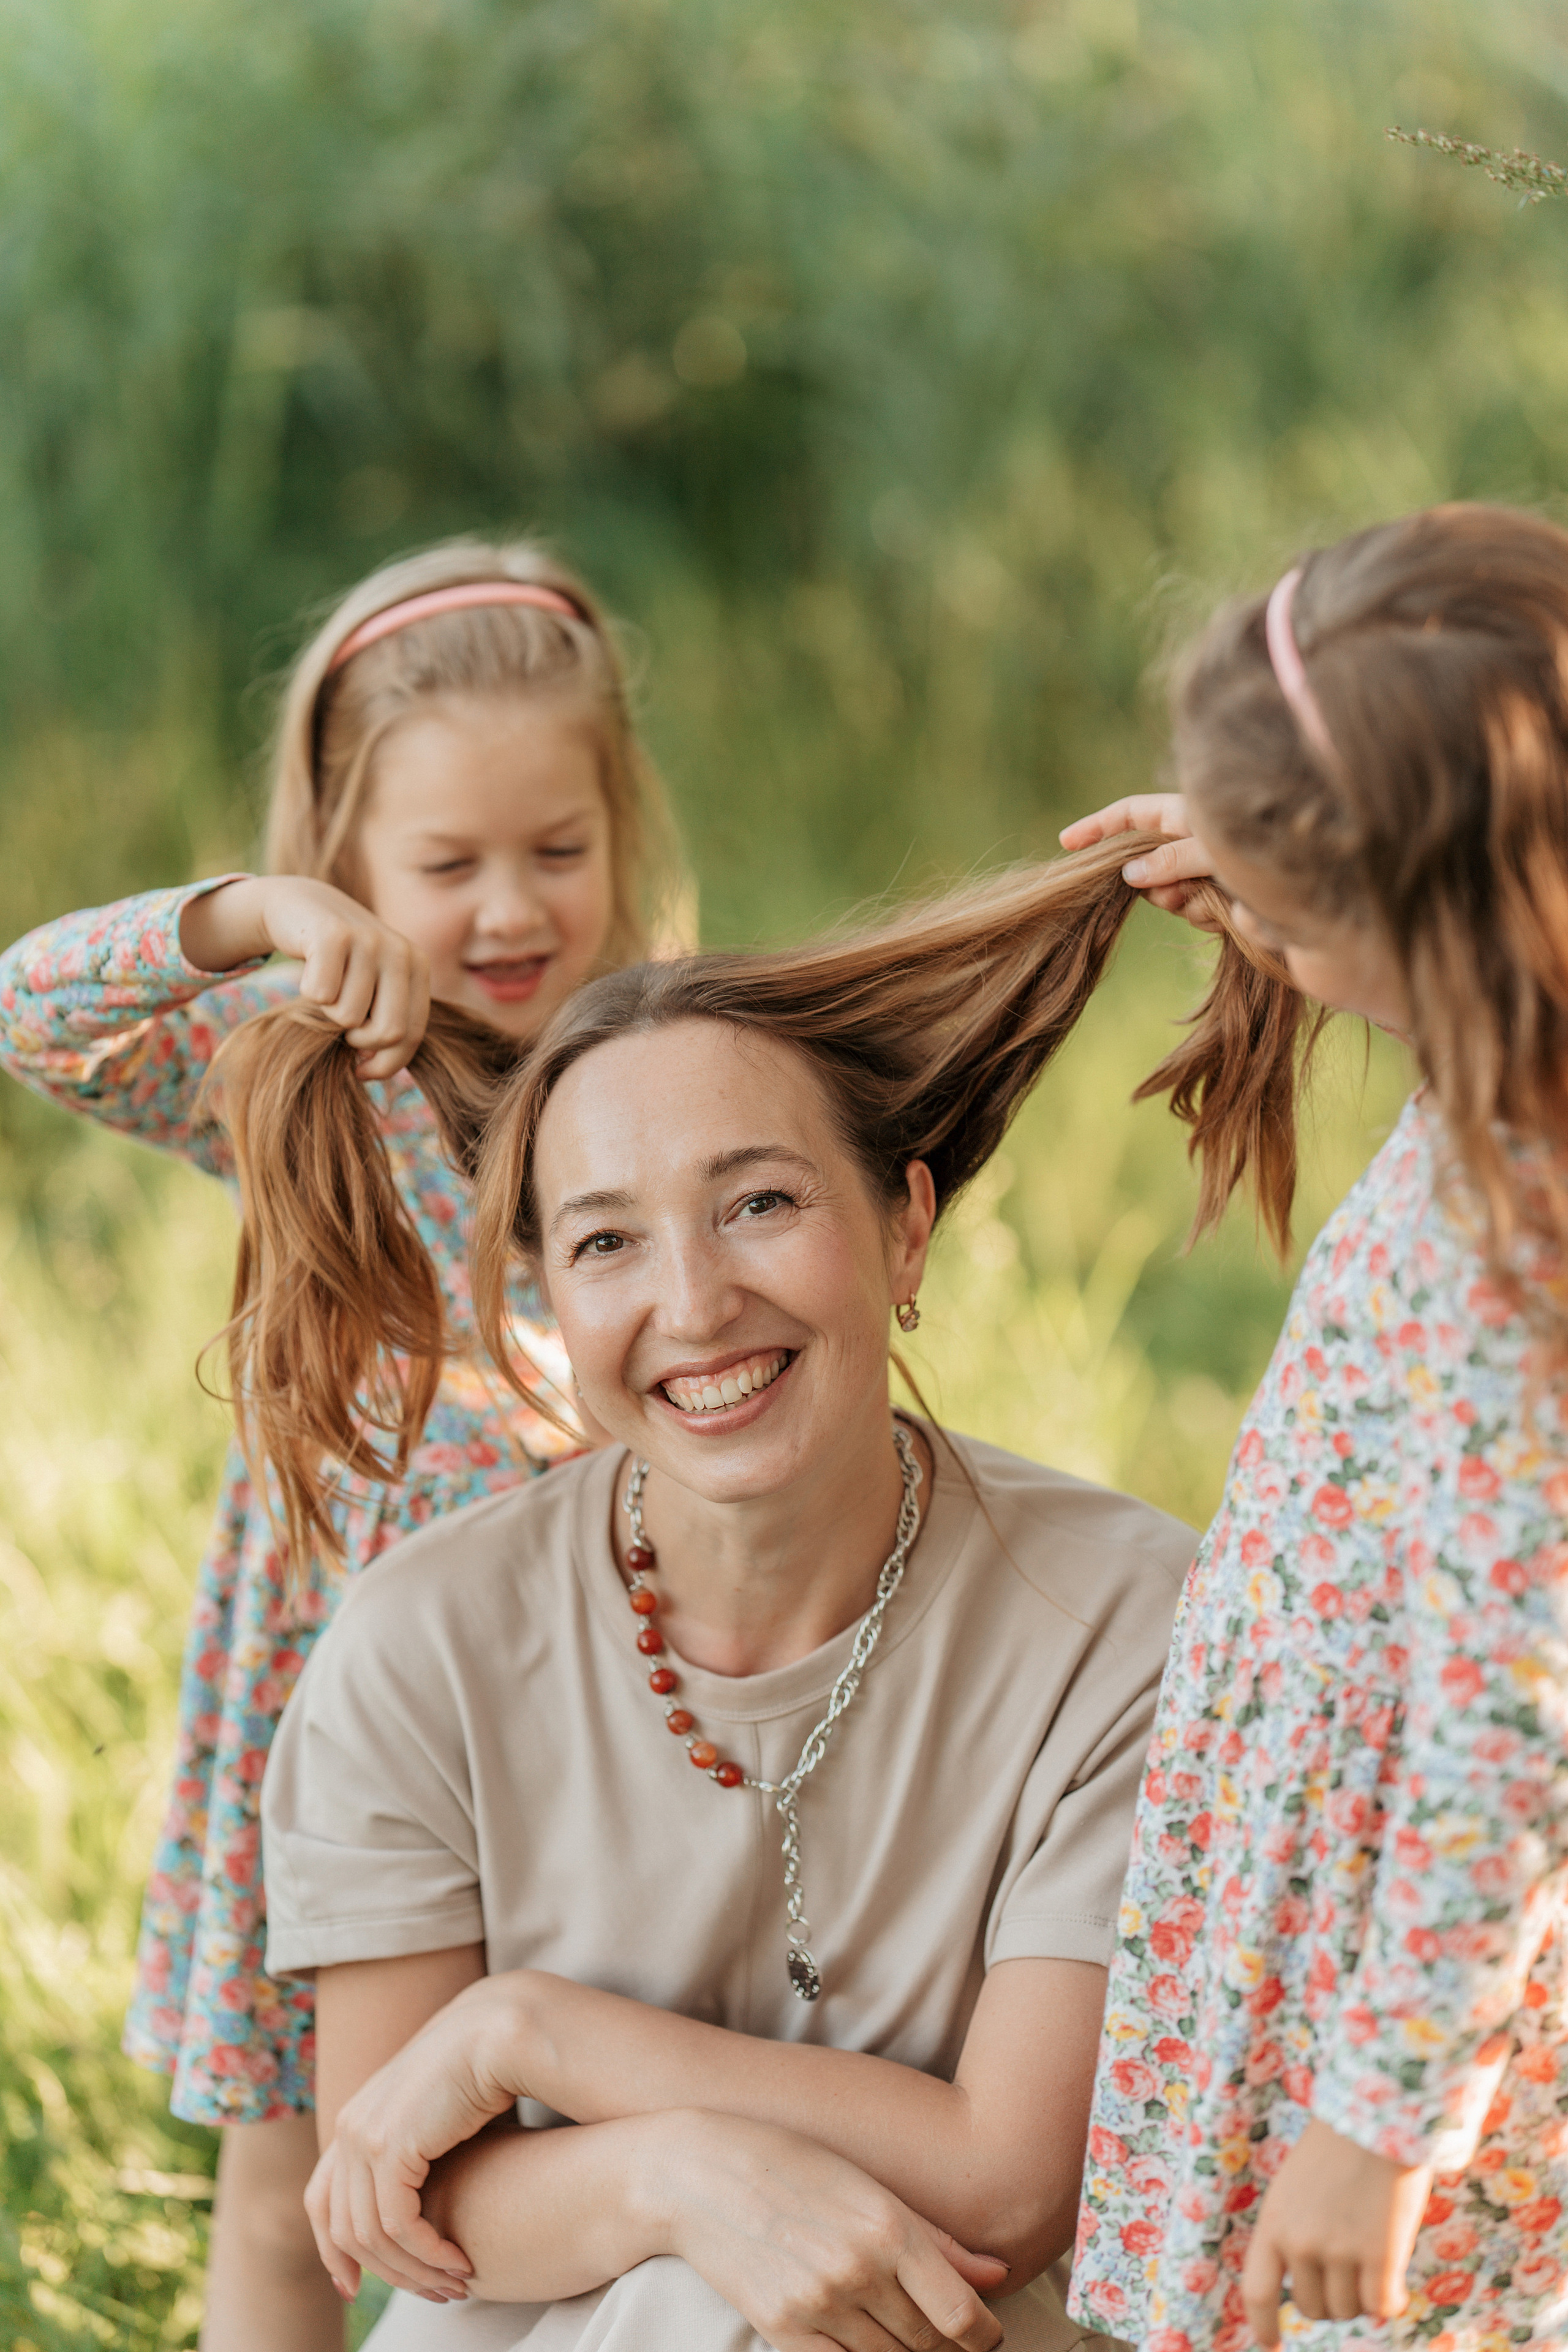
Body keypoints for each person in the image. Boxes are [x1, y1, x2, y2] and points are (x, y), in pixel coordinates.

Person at [234, 838, 1299, 2352]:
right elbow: (394, 2201)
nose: (692, 1302)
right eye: (606, 1241)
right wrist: (682, 2183)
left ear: (906, 1226)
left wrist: (533, 2035)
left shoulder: (1127, 1622)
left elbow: (1004, 2187)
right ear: (542, 1297)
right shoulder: (420, 1643)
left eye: (759, 1204)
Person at [0, 538, 680, 2351]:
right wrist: (252, 922)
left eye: (560, 849)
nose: (513, 907)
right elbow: (31, 1014)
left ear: (622, 833)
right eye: (447, 865)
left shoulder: (662, 1059)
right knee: (302, 2172)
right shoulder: (302, 1058)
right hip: (349, 1689)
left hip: (597, 1693)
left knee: (560, 2143)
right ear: (353, 858)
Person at [1061, 505, 1568, 2352]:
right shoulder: (1524, 1041)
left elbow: (1514, 1731)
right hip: (1346, 1897)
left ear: (1423, 905)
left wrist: (1376, 2126)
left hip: (1399, 1967)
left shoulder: (1511, 1238)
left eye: (1296, 903)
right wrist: (1289, 863)